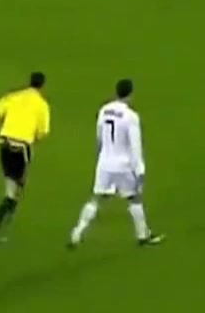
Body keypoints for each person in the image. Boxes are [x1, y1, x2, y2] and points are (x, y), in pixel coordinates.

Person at [68, 80, 163, 249]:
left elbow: (99, 136)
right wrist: (140, 170)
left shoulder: (104, 110)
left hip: (105, 162)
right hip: (123, 165)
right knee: (134, 198)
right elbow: (135, 146)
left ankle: (78, 231)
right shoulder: (131, 116)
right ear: (130, 94)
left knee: (96, 198)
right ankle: (143, 236)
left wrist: (101, 155)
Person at [0, 72, 51, 243]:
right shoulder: (42, 105)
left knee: (11, 184)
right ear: (42, 85)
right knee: (17, 189)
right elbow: (43, 132)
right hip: (22, 147)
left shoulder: (13, 96)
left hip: (5, 144)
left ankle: (0, 225)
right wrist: (33, 138)